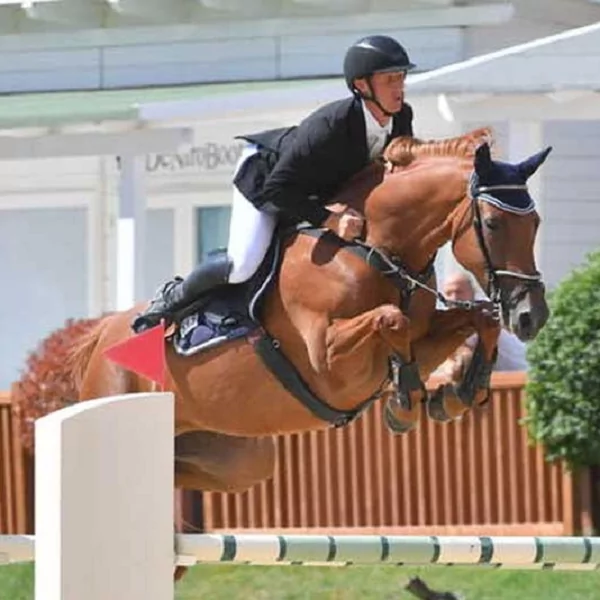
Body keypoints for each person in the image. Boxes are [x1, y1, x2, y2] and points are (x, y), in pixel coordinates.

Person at [131, 34, 417, 333]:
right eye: (389, 80)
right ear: (361, 85)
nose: (399, 88)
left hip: (317, 188)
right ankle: (172, 297)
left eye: (401, 78)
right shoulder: (331, 124)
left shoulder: (401, 118)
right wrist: (329, 219)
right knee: (243, 265)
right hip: (266, 175)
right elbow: (277, 189)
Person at [434, 272, 529, 377]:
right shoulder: (451, 320)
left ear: (472, 293)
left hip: (518, 377)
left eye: (459, 292)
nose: (454, 298)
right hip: (498, 381)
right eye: (449, 293)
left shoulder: (485, 314)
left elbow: (469, 356)